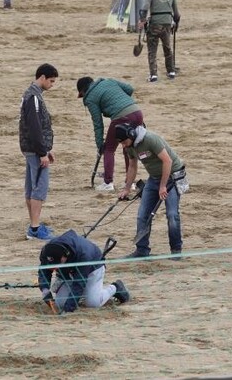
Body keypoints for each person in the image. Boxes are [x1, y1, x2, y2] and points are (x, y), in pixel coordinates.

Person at [115, 123, 187, 258]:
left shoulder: (151, 139)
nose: (123, 146)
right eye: (121, 143)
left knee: (172, 214)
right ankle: (142, 251)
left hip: (172, 177)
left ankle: (176, 251)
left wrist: (163, 186)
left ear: (131, 135)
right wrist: (126, 189)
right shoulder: (129, 147)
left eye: (124, 142)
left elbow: (168, 161)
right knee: (142, 215)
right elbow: (132, 166)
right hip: (154, 178)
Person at [76, 76, 145, 192]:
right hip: (137, 112)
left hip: (121, 117)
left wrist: (99, 144)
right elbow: (129, 89)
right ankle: (130, 183)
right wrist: (121, 100)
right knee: (129, 148)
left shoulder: (90, 98)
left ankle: (108, 183)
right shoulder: (109, 81)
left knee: (109, 149)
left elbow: (98, 123)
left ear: (83, 91)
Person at [38, 229, 129, 313]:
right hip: (69, 272)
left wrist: (68, 310)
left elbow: (79, 283)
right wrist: (45, 289)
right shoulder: (47, 251)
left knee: (93, 303)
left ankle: (115, 287)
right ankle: (87, 293)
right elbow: (44, 271)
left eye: (58, 264)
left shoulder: (84, 255)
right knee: (60, 303)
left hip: (93, 269)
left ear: (65, 255)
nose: (55, 268)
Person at [20, 63, 59, 240]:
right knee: (39, 188)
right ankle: (35, 229)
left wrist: (45, 149)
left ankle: (33, 225)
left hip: (32, 148)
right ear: (42, 77)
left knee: (31, 187)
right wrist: (42, 152)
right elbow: (35, 127)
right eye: (51, 81)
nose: (52, 85)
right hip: (35, 150)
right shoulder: (33, 97)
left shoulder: (30, 95)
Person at [139, 0, 181, 82]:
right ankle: (171, 72)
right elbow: (176, 13)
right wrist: (176, 23)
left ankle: (153, 75)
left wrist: (142, 20)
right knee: (167, 48)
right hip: (167, 23)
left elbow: (145, 6)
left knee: (152, 50)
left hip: (155, 23)